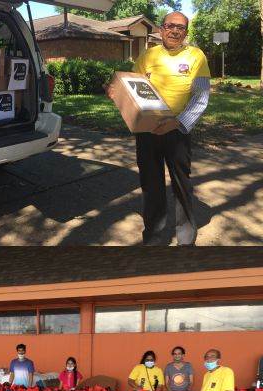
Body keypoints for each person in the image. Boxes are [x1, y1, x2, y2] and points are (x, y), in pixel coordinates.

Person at [106, 12, 210, 246]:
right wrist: (116, 92)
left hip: (177, 131)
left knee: (182, 185)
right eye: (170, 26)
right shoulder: (148, 55)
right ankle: (153, 238)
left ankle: (186, 238)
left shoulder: (196, 56)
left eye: (181, 28)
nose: (175, 31)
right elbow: (133, 88)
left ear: (186, 32)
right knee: (151, 185)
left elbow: (201, 98)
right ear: (161, 29)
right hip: (147, 132)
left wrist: (177, 122)